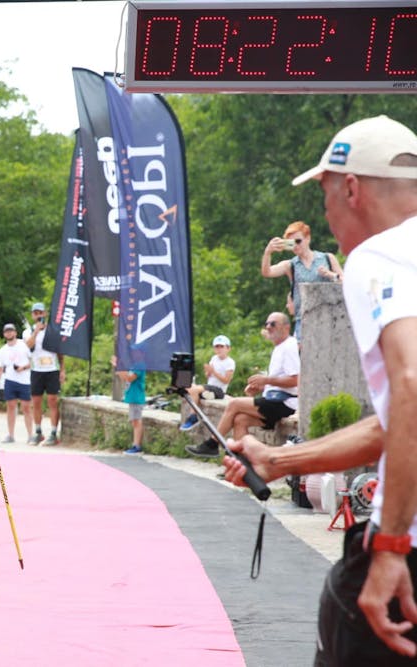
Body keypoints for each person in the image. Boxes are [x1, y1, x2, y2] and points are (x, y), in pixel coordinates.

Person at [223, 115, 417, 665]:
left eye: (326, 196)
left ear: (351, 188)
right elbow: (398, 421)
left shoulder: (379, 255)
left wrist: (390, 546)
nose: (326, 216)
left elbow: (411, 391)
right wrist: (281, 461)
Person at [186, 312, 298, 458]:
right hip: (275, 400)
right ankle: (242, 464)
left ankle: (212, 444)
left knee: (234, 404)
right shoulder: (280, 347)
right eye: (267, 324)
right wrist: (261, 387)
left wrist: (266, 380)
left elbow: (295, 380)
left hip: (283, 403)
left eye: (273, 324)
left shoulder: (289, 346)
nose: (268, 327)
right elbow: (281, 381)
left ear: (286, 327)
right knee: (240, 420)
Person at [261, 220, 344, 340]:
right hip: (304, 319)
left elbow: (345, 282)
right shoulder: (291, 265)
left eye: (298, 241)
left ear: (308, 239)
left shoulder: (327, 258)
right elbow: (267, 272)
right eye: (291, 243)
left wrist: (331, 275)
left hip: (329, 317)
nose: (295, 245)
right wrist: (268, 252)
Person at [23, 302, 65, 445]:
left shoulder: (54, 330)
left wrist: (63, 369)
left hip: (52, 369)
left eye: (40, 312)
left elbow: (60, 351)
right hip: (37, 370)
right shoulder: (28, 331)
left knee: (53, 400)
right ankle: (38, 431)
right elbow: (28, 345)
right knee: (36, 402)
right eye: (35, 313)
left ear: (45, 313)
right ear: (32, 315)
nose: (38, 315)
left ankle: (53, 432)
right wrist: (36, 331)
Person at [179, 335, 236, 431]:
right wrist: (208, 372)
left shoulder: (230, 362)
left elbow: (226, 380)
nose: (219, 349)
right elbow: (208, 376)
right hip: (210, 387)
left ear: (228, 348)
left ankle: (193, 416)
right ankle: (198, 406)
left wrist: (213, 371)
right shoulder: (214, 358)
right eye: (217, 347)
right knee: (189, 388)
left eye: (221, 347)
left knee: (194, 389)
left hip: (219, 390)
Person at [0, 323, 33, 444]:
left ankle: (30, 435)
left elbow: (32, 362)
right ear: (4, 334)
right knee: (11, 407)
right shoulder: (3, 350)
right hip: (10, 380)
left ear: (15, 332)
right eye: (6, 331)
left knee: (26, 407)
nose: (9, 333)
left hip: (24, 380)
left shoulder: (24, 345)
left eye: (11, 331)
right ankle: (11, 434)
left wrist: (23, 368)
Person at [113, 355, 146, 454]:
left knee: (136, 421)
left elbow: (129, 378)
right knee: (134, 421)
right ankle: (135, 444)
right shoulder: (133, 365)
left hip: (137, 397)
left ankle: (137, 446)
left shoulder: (140, 365)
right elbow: (125, 377)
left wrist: (118, 367)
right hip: (132, 397)